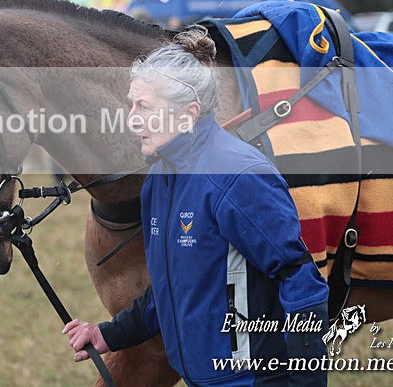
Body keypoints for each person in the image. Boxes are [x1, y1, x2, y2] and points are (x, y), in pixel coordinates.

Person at [64, 27, 329, 386]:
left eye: (144, 106)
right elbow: (172, 289)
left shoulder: (238, 176)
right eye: (132, 104)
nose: (132, 119)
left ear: (187, 113)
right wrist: (108, 335)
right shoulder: (158, 180)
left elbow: (302, 285)